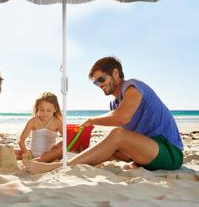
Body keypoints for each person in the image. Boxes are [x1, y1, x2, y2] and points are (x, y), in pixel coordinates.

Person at [24, 56, 183, 174]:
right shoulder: (115, 104)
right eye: (96, 82)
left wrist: (92, 120)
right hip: (148, 154)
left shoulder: (133, 87)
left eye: (101, 79)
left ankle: (57, 166)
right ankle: (61, 162)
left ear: (115, 73)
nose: (99, 85)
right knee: (109, 147)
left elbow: (121, 117)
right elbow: (129, 138)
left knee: (116, 135)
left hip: (170, 153)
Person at [17, 92, 63, 162]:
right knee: (10, 152)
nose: (45, 113)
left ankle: (37, 161)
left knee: (60, 151)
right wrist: (26, 152)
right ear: (37, 108)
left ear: (55, 109)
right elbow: (21, 141)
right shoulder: (33, 121)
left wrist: (59, 144)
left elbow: (67, 138)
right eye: (42, 110)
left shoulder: (57, 122)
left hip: (50, 155)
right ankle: (35, 160)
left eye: (48, 111)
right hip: (32, 154)